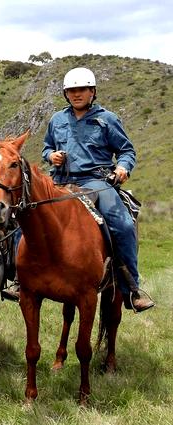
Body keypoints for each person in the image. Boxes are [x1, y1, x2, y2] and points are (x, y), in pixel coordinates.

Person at [38, 66, 153, 312]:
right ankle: (19, 278)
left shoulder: (107, 119)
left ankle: (131, 288)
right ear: (65, 94)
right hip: (59, 181)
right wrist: (52, 155)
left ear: (92, 92)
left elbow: (126, 151)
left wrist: (122, 168)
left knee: (122, 224)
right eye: (71, 90)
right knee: (26, 213)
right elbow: (46, 148)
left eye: (82, 89)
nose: (77, 94)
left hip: (96, 181)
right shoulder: (57, 120)